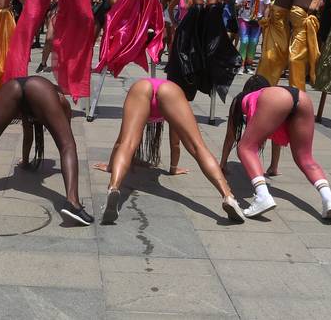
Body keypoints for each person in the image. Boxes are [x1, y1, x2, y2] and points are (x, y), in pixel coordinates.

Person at [0, 76, 94, 225]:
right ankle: (73, 202)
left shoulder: (38, 103)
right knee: (68, 145)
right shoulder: (60, 101)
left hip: (10, 87)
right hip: (38, 87)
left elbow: (28, 135)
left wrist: (25, 163)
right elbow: (65, 144)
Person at [99, 78, 246, 225]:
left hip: (140, 87)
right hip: (171, 90)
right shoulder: (169, 102)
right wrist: (173, 169)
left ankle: (113, 187)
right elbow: (175, 144)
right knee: (198, 147)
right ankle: (228, 196)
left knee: (128, 143)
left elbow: (120, 142)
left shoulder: (141, 93)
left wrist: (110, 166)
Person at [219, 76, 331, 219]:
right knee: (305, 158)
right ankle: (329, 200)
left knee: (245, 148)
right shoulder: (270, 95)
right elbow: (276, 135)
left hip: (278, 99)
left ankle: (263, 196)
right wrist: (273, 167)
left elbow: (230, 136)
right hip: (302, 97)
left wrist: (223, 163)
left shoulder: (245, 98)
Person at [235, 0, 270, 74]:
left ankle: (249, 65)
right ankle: (240, 65)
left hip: (258, 20)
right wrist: (241, 4)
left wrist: (265, 18)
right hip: (244, 18)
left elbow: (267, 6)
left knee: (254, 42)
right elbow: (236, 5)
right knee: (244, 41)